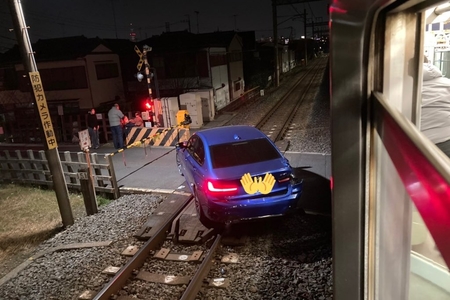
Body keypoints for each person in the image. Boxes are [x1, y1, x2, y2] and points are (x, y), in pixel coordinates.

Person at [421, 59, 450, 158]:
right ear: (428, 62)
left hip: (416, 141)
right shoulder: (447, 83)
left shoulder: (403, 86)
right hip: (447, 138)